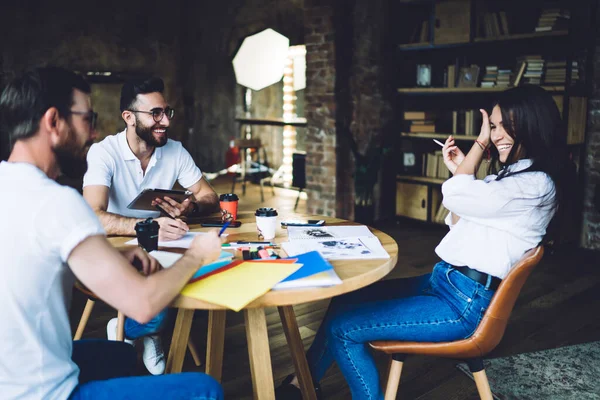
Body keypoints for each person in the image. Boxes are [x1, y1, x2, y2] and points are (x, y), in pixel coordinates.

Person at [275, 85, 573, 400]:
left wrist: (478, 146)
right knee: (346, 298)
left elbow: (456, 196)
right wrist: (462, 172)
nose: (495, 135)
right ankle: (304, 384)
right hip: (445, 283)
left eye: (500, 127)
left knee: (343, 328)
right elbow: (459, 216)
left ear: (528, 124)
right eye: (493, 128)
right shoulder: (513, 176)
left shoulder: (535, 184)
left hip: (463, 304)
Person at [0, 66, 224, 400]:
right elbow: (143, 304)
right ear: (53, 121)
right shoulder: (59, 201)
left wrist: (117, 254)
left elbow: (34, 255)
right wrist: (197, 254)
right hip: (39, 392)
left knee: (120, 355)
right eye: (87, 119)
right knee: (205, 388)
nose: (92, 133)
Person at [82, 76, 219, 374]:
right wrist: (150, 228)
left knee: (204, 269)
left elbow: (210, 197)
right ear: (129, 117)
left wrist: (191, 206)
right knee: (165, 278)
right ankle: (147, 329)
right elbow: (92, 215)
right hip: (119, 250)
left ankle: (134, 329)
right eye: (155, 113)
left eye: (166, 112)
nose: (165, 122)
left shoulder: (175, 150)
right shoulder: (103, 153)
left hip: (166, 244)